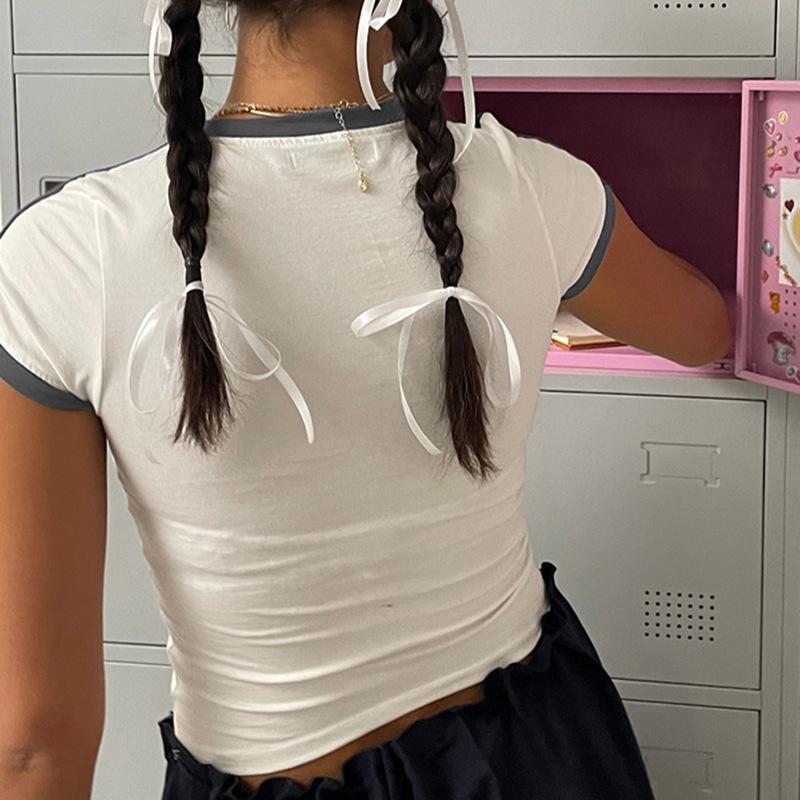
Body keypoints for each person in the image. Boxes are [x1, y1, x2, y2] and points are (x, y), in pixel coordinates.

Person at [0, 0, 731, 798]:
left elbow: (34, 746)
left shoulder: (61, 257)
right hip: (537, 750)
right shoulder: (536, 185)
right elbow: (704, 330)